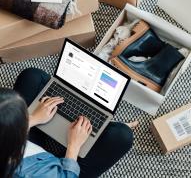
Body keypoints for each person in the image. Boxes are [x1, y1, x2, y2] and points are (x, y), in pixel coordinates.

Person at [0, 68, 138, 178]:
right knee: (122, 136)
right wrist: (74, 146)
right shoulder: (33, 174)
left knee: (32, 76)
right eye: (24, 117)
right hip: (57, 169)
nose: (26, 115)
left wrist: (35, 118)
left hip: (20, 147)